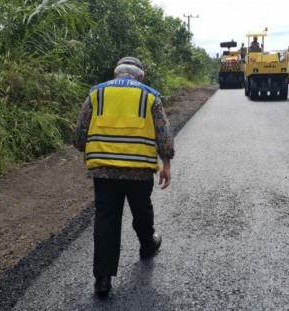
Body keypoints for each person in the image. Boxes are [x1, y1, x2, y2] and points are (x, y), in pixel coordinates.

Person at [73, 56, 174, 298]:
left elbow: (80, 131)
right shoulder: (149, 95)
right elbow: (164, 134)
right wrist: (166, 163)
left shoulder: (96, 94)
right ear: (140, 76)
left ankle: (102, 279)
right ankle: (147, 244)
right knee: (141, 209)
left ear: (116, 73)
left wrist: (84, 150)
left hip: (104, 170)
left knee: (106, 217)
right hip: (138, 168)